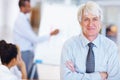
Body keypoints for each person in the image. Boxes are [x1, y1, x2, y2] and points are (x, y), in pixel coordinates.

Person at [61, 1, 120, 80]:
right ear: (80, 22)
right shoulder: (69, 46)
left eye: (95, 19)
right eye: (86, 19)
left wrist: (77, 76)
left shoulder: (111, 47)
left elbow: (114, 78)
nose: (90, 24)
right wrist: (99, 76)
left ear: (100, 22)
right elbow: (66, 78)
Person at [13, 0, 59, 79]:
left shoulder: (24, 19)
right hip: (24, 54)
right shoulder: (20, 21)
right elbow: (34, 39)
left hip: (28, 53)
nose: (30, 8)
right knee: (24, 77)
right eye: (28, 6)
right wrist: (51, 34)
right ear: (22, 7)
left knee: (34, 77)